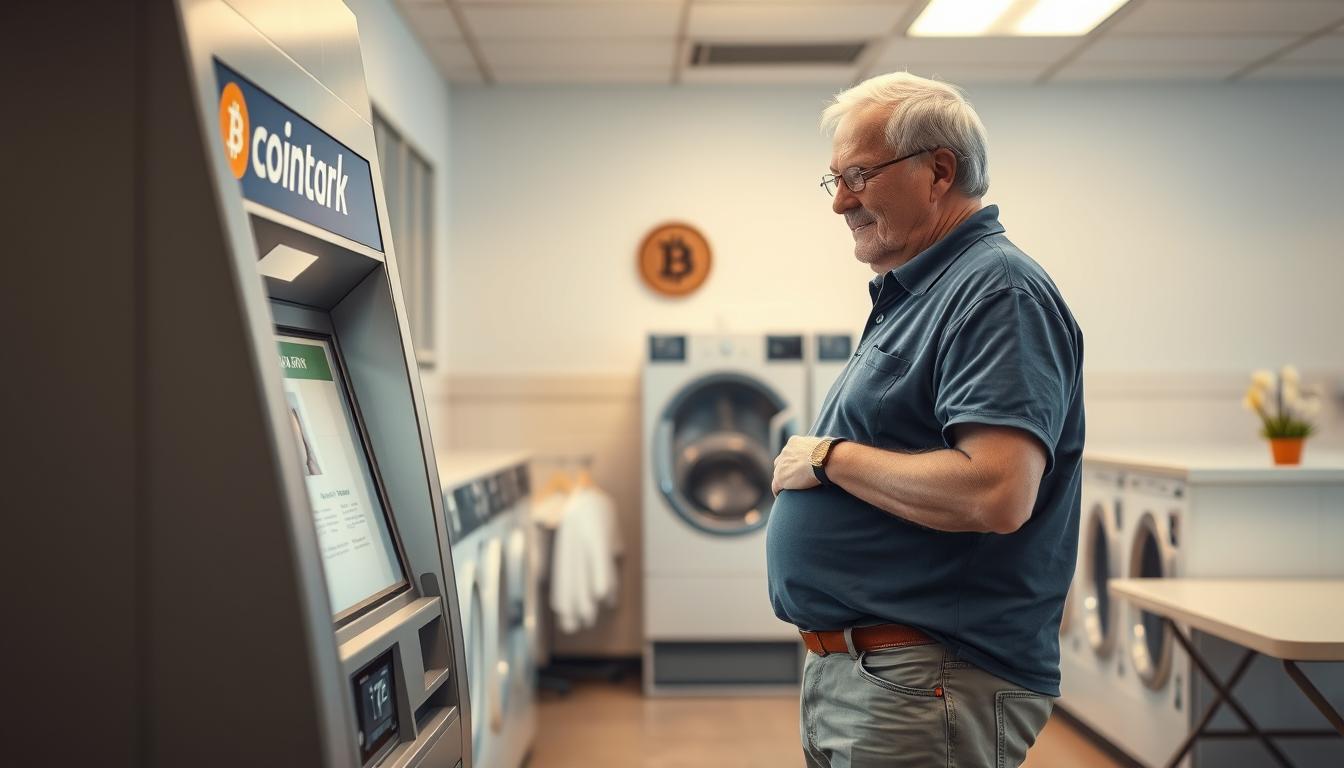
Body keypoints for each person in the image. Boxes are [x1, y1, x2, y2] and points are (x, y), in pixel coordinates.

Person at [766, 72, 1085, 768]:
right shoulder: (923, 291)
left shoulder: (996, 290)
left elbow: (996, 492)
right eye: (835, 181)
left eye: (859, 175)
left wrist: (828, 458)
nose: (841, 202)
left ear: (939, 171)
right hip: (876, 677)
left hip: (929, 679)